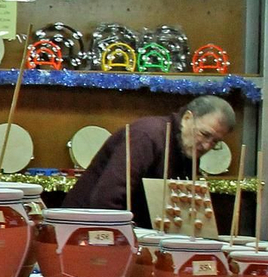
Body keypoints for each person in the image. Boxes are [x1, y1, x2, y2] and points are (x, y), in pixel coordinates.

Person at [64, 95, 236, 228]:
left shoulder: (187, 148)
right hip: (85, 230)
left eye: (215, 142)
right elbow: (105, 199)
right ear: (187, 118)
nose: (206, 145)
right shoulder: (147, 135)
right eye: (205, 134)